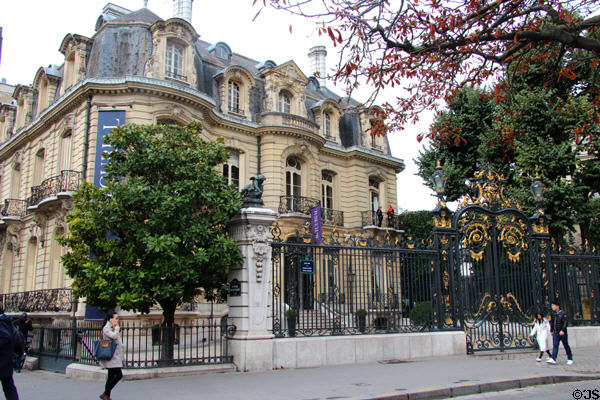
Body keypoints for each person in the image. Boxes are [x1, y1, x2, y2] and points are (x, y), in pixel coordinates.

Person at [99, 312, 123, 400]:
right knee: (119, 375)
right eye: (115, 318)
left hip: (115, 355)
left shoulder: (111, 328)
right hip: (112, 356)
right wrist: (116, 328)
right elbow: (113, 336)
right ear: (110, 319)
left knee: (111, 376)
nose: (117, 320)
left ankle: (106, 395)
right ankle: (105, 393)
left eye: (117, 318)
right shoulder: (106, 328)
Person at [0, 306, 19, 400]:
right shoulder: (6, 321)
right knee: (9, 387)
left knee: (8, 387)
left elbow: (6, 338)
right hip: (6, 360)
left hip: (2, 360)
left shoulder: (1, 322)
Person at [547, 300, 573, 365]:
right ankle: (553, 358)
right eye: (552, 305)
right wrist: (551, 330)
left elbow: (565, 323)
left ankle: (570, 358)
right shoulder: (553, 314)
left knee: (566, 345)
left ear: (557, 306)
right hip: (556, 332)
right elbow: (552, 323)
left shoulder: (563, 313)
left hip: (562, 333)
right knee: (555, 345)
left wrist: (563, 330)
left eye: (553, 305)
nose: (552, 307)